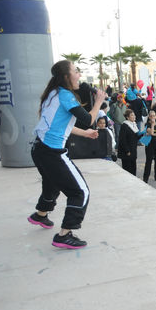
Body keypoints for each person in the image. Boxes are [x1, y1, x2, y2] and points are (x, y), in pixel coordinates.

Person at [28, 60, 107, 249]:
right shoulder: (65, 95)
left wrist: (85, 134)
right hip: (52, 152)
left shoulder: (53, 93)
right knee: (80, 192)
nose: (79, 75)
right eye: (76, 71)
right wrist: (98, 101)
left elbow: (60, 125)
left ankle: (40, 215)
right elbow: (88, 119)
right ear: (66, 76)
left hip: (39, 149)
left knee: (52, 182)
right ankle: (64, 234)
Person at [118, 109, 144, 176]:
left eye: (134, 115)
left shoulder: (134, 124)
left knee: (133, 168)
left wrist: (143, 134)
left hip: (133, 150)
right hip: (127, 152)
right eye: (132, 115)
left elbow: (135, 137)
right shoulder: (124, 125)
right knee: (127, 170)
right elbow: (122, 140)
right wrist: (127, 151)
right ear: (127, 117)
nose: (134, 116)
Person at [142, 110, 156, 183]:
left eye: (154, 116)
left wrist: (153, 134)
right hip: (150, 144)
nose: (152, 117)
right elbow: (150, 132)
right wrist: (152, 125)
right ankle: (145, 178)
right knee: (149, 161)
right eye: (151, 116)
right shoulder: (147, 124)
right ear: (149, 117)